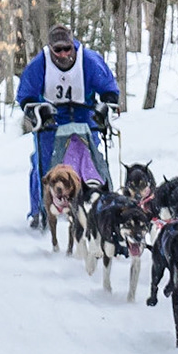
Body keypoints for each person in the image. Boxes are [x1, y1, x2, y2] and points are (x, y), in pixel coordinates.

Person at [17, 25, 120, 225]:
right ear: (50, 48)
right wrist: (35, 111)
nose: (64, 54)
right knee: (44, 161)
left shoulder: (89, 60)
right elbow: (25, 95)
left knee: (91, 157)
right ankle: (40, 209)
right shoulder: (40, 64)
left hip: (84, 113)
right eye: (58, 50)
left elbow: (109, 88)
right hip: (53, 115)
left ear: (73, 45)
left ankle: (96, 201)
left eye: (67, 48)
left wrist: (106, 106)